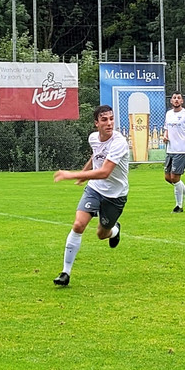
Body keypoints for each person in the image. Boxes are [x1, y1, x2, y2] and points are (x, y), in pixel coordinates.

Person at [52, 105, 129, 287]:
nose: (109, 123)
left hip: (115, 195)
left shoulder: (119, 143)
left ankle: (115, 231)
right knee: (78, 225)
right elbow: (96, 156)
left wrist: (73, 175)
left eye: (111, 119)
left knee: (102, 234)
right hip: (94, 189)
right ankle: (65, 273)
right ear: (96, 123)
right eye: (104, 120)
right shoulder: (93, 138)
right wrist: (83, 173)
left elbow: (104, 172)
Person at [162, 91, 185, 212]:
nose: (176, 100)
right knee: (168, 178)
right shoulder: (168, 114)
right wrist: (165, 136)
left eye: (179, 98)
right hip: (170, 150)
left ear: (182, 101)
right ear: (171, 101)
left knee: (175, 178)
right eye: (174, 98)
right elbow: (166, 129)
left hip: (181, 150)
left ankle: (179, 206)